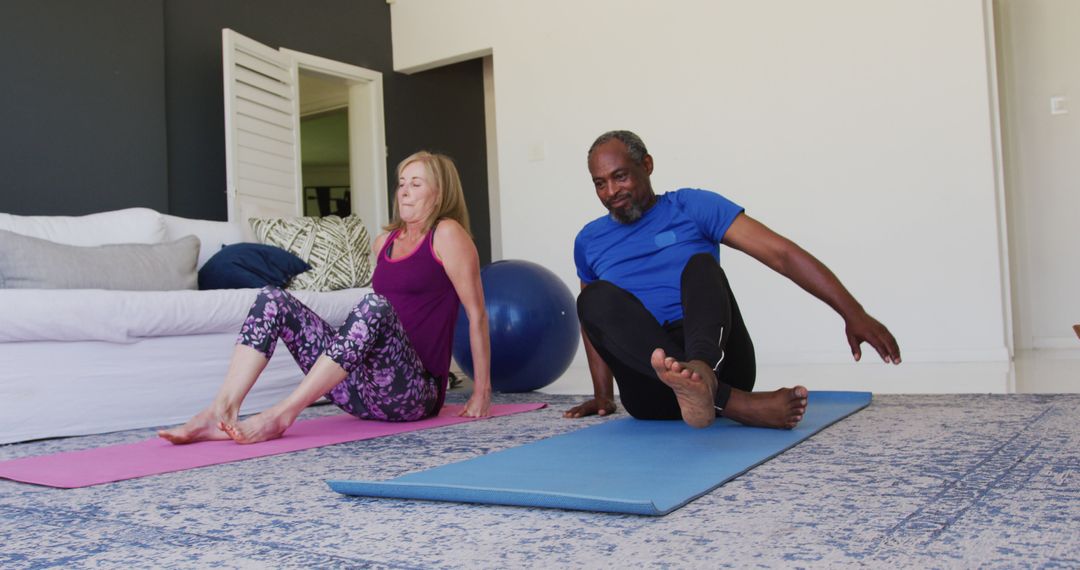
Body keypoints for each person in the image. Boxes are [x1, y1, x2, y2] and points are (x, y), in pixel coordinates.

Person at [565, 130, 900, 429]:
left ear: (647, 165)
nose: (611, 191)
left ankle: (702, 376)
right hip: (650, 384)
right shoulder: (589, 240)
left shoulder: (692, 206)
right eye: (600, 183)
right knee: (592, 298)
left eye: (620, 177)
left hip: (719, 358)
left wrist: (852, 312)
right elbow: (595, 325)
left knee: (701, 265)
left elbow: (781, 254)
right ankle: (735, 403)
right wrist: (602, 395)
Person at [160, 151, 491, 444]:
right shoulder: (384, 242)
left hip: (413, 394)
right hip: (361, 391)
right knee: (271, 299)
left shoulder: (447, 234)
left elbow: (476, 314)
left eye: (416, 184)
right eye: (402, 183)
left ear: (440, 192)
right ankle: (221, 410)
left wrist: (481, 392)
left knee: (373, 306)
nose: (404, 191)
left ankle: (283, 414)